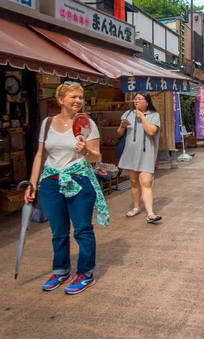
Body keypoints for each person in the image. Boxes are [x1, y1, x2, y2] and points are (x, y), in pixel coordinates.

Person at [23, 81, 108, 295]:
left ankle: (86, 273)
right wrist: (33, 184)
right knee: (58, 231)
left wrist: (86, 150)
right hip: (51, 181)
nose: (78, 100)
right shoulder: (47, 123)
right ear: (61, 100)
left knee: (82, 229)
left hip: (78, 180)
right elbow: (40, 155)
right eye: (73, 97)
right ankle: (61, 271)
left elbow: (97, 157)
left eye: (80, 97)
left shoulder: (87, 123)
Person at [118, 92, 162, 223]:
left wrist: (142, 117)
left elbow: (151, 131)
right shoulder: (127, 114)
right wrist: (122, 126)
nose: (136, 101)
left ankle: (150, 213)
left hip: (146, 152)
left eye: (139, 99)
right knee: (134, 182)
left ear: (147, 102)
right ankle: (136, 207)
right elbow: (119, 134)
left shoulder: (154, 115)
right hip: (131, 152)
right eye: (135, 99)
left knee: (146, 182)